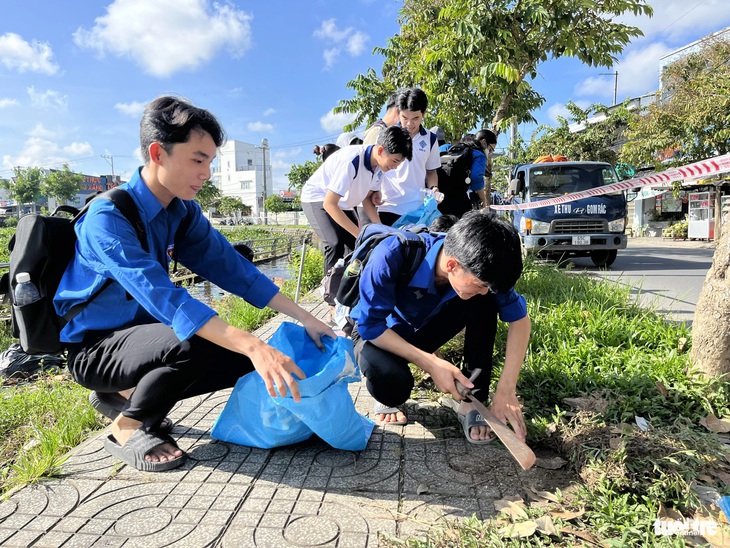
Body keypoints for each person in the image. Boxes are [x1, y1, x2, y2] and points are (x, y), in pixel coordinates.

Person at [54, 96, 336, 472]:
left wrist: (305, 317)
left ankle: (124, 394)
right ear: (158, 153)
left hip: (142, 337)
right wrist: (252, 343)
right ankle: (129, 424)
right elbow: (166, 298)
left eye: (211, 162)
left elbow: (233, 269)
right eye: (197, 160)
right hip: (96, 348)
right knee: (198, 342)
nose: (206, 173)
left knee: (240, 360)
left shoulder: (181, 211)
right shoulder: (108, 218)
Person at [349, 211, 531, 443]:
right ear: (452, 264)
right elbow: (370, 325)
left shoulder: (483, 267)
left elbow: (520, 321)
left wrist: (506, 389)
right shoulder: (391, 254)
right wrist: (432, 364)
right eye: (480, 284)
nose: (485, 289)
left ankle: (470, 403)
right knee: (392, 384)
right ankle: (385, 395)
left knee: (486, 301)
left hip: (421, 330)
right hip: (379, 335)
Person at [301, 126, 413, 307]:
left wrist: (382, 232)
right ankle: (331, 300)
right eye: (394, 161)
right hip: (318, 198)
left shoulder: (378, 166)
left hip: (343, 202)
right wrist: (360, 233)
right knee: (334, 242)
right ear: (381, 150)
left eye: (398, 164)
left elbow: (369, 200)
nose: (394, 167)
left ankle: (348, 295)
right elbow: (329, 204)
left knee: (357, 248)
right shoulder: (351, 161)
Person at [377, 88, 441, 226]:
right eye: (405, 118)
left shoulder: (430, 139)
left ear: (423, 114)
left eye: (415, 118)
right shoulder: (385, 136)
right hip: (387, 206)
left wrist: (434, 187)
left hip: (417, 209)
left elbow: (431, 171)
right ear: (398, 113)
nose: (409, 124)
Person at [465, 129, 497, 210]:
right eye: (490, 149)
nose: (489, 152)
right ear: (483, 142)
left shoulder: (465, 149)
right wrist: (483, 199)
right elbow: (476, 179)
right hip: (460, 197)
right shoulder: (479, 155)